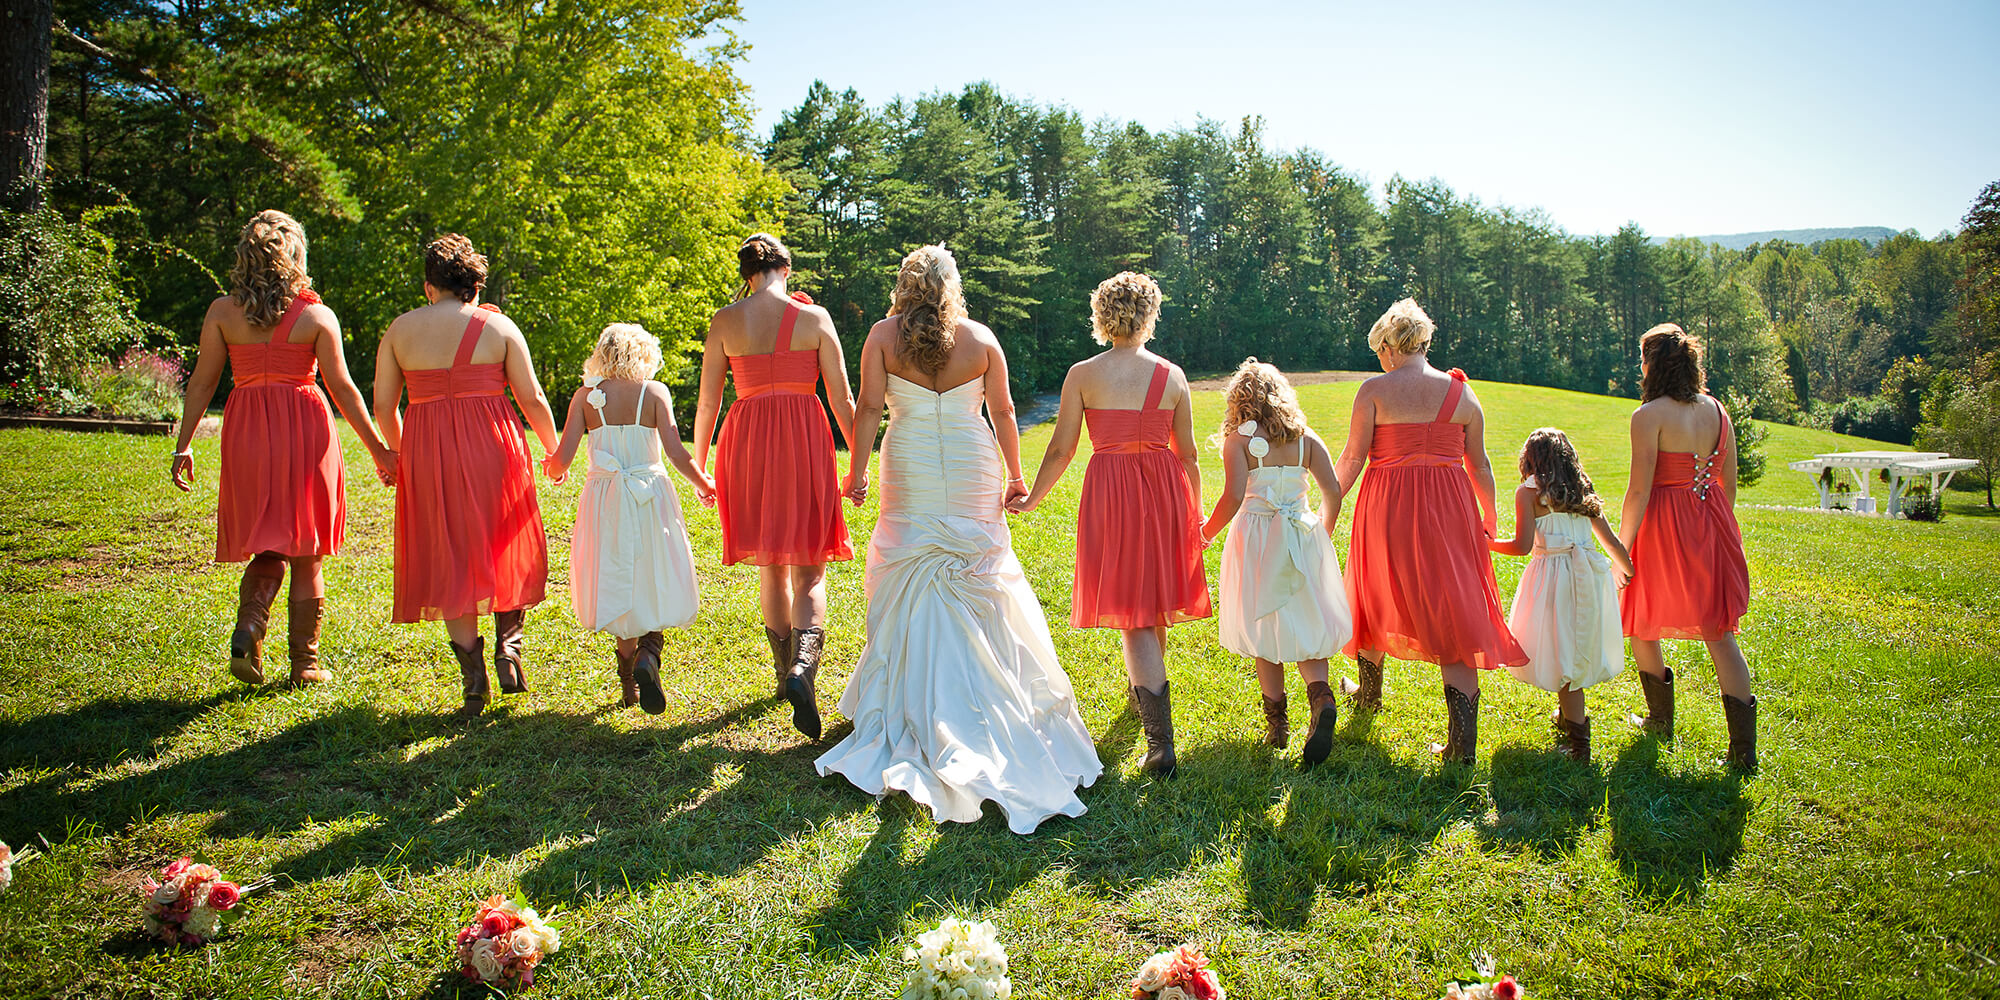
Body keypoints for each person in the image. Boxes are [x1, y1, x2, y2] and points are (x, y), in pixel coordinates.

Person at [815, 244, 1100, 833]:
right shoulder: (980, 339)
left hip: (910, 463)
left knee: (914, 573)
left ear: (904, 285)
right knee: (980, 578)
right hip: (972, 463)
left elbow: (868, 409)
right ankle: (990, 698)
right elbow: (1004, 412)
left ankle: (917, 702)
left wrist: (857, 472)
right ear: (952, 286)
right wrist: (1016, 476)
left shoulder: (882, 336)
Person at [171, 210, 395, 687]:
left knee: (267, 544)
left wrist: (183, 444)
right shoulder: (316, 316)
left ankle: (250, 626)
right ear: (296, 257)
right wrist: (379, 450)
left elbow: (202, 383)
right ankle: (305, 665)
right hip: (305, 430)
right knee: (307, 551)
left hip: (247, 431)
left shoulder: (222, 312)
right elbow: (343, 389)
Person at [1013, 271, 1209, 778]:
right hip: (1164, 490)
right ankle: (1144, 695)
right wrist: (1195, 512)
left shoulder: (1083, 374)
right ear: (1149, 315)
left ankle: (1160, 743)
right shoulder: (1172, 375)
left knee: (1136, 615)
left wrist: (1032, 499)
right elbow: (1188, 455)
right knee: (1151, 600)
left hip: (1113, 492)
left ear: (1102, 316)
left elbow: (1061, 449)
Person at [1333, 298, 1525, 765]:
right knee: (1452, 607)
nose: (1380, 360)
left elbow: (1353, 458)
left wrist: (1327, 509)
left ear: (1389, 346)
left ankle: (1368, 695)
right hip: (1450, 509)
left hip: (1387, 506)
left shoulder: (1374, 390)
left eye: (1379, 351)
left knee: (1375, 591)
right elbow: (1480, 465)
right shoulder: (1463, 395)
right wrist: (1491, 514)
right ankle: (1462, 744)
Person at [374, 234, 558, 718]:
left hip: (428, 451)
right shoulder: (498, 327)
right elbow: (532, 398)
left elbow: (384, 407)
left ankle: (474, 682)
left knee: (450, 556)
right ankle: (509, 649)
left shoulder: (400, 330)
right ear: (475, 286)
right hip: (493, 445)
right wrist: (553, 450)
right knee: (504, 541)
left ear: (429, 286)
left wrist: (401, 454)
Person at [692, 234, 857, 739]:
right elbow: (842, 398)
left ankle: (784, 672)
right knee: (810, 570)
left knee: (771, 568)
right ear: (786, 269)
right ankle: (803, 669)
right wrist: (860, 463)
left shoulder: (725, 321)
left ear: (746, 275)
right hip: (803, 439)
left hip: (746, 444)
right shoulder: (814, 318)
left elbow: (707, 403)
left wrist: (700, 465)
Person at [543, 324, 714, 715]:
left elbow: (562, 458)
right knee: (654, 568)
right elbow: (676, 451)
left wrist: (552, 470)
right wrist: (703, 483)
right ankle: (648, 654)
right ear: (644, 355)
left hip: (605, 499)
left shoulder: (586, 397)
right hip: (649, 495)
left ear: (602, 355)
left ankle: (628, 686)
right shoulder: (654, 392)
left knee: (618, 573)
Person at [1199, 359, 1354, 768]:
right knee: (1305, 620)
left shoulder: (1239, 441)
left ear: (1239, 401)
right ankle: (1321, 699)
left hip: (1257, 536)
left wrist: (1206, 533)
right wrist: (1321, 532)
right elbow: (1332, 491)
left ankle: (1277, 727)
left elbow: (1233, 497)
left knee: (1262, 622)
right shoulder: (1306, 439)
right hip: (1302, 534)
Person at [1619, 323, 1757, 771]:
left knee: (1642, 620)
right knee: (1720, 633)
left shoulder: (1648, 415)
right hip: (1712, 521)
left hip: (1662, 525)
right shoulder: (1718, 410)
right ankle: (1743, 752)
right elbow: (1728, 485)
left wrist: (1622, 548)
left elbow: (1639, 490)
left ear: (1652, 365)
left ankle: (1660, 722)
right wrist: (1712, 526)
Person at [1489, 428, 1635, 762]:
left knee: (1563, 652)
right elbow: (1611, 541)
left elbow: (1522, 545)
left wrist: (1487, 544)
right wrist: (1626, 569)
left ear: (1530, 459)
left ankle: (1579, 745)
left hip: (1553, 579)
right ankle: (1567, 718)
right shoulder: (1581, 490)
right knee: (1569, 645)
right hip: (1587, 577)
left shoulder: (1529, 492)